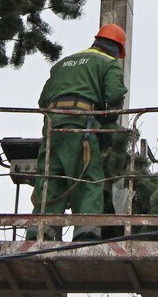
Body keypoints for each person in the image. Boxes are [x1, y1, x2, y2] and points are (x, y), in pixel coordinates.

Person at [27, 23, 128, 241]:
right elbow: (115, 96)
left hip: (53, 127)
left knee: (50, 178)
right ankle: (86, 232)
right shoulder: (109, 63)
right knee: (88, 178)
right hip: (81, 124)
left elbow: (42, 101)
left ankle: (40, 231)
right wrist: (108, 122)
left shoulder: (62, 63)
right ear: (116, 49)